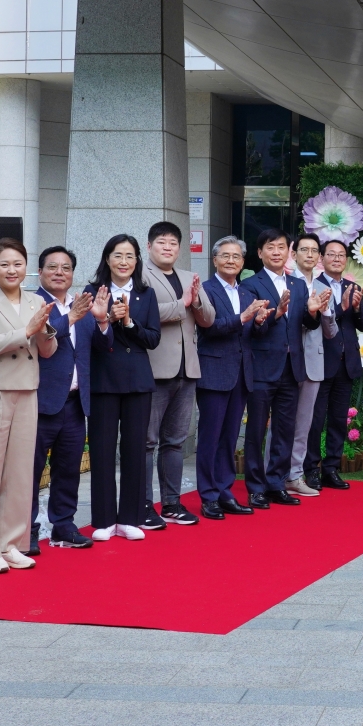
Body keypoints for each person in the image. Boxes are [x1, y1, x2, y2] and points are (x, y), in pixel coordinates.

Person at [0, 240, 57, 572]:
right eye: (4, 264)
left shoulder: (36, 300)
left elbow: (47, 350)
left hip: (27, 389)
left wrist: (44, 330)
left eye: (18, 263)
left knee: (19, 473)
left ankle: (12, 543)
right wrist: (26, 330)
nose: (12, 270)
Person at [85, 233, 162, 538]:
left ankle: (130, 518)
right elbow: (87, 340)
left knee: (135, 450)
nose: (124, 262)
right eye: (118, 255)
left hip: (137, 381)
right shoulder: (93, 292)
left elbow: (153, 339)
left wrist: (128, 322)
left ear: (137, 260)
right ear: (107, 259)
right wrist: (105, 320)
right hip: (103, 379)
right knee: (103, 450)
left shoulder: (146, 293)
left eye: (130, 256)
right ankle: (103, 521)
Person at [240, 228, 319, 505]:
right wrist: (271, 318)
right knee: (257, 430)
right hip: (262, 368)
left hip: (291, 367)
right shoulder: (250, 285)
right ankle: (256, 487)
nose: (276, 252)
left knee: (285, 428)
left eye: (281, 247)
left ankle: (276, 482)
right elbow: (250, 329)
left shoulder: (297, 285)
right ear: (260, 253)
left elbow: (306, 325)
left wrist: (312, 312)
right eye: (270, 247)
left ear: (289, 252)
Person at [143, 220, 214, 520]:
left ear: (180, 248)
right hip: (154, 369)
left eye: (173, 243)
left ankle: (172, 503)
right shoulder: (140, 277)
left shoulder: (189, 277)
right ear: (149, 246)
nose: (168, 248)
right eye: (161, 243)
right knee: (147, 442)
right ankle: (143, 504)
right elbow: (141, 313)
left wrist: (195, 300)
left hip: (188, 370)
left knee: (175, 441)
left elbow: (208, 319)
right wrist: (180, 304)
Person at [32, 247, 99, 549]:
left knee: (69, 468)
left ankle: (63, 524)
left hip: (74, 403)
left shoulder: (81, 305)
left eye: (66, 267)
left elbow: (100, 347)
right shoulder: (33, 303)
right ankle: (26, 531)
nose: (60, 272)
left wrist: (103, 322)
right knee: (29, 472)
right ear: (40, 271)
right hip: (40, 402)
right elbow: (38, 336)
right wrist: (70, 318)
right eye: (53, 267)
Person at [194, 236, 259, 518]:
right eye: (226, 256)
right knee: (210, 437)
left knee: (231, 437)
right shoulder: (204, 291)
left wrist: (259, 320)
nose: (231, 260)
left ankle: (225, 491)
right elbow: (207, 328)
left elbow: (248, 335)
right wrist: (242, 319)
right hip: (214, 372)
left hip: (241, 373)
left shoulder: (247, 293)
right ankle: (208, 496)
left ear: (243, 262)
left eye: (236, 256)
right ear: (214, 260)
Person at [313, 238, 363, 489]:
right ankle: (310, 469)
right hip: (320, 361)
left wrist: (357, 308)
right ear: (322, 259)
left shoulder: (353, 285)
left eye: (341, 255)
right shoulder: (312, 286)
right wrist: (342, 306)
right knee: (315, 420)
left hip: (346, 363)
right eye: (331, 254)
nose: (337, 259)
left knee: (338, 419)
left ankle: (331, 469)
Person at [286, 232, 335, 497]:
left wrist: (324, 311)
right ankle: (274, 473)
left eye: (314, 250)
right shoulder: (285, 284)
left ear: (318, 257)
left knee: (303, 424)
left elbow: (332, 332)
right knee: (282, 422)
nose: (309, 254)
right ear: (294, 254)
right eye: (304, 249)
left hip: (314, 362)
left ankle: (294, 475)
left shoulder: (323, 286)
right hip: (287, 361)